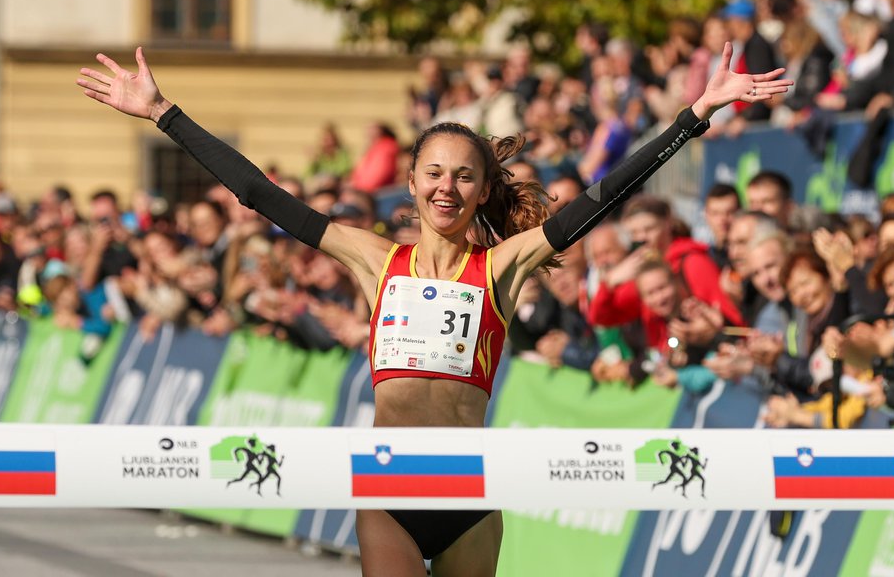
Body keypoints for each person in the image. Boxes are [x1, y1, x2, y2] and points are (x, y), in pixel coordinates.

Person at [77, 43, 790, 577]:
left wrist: (695, 116)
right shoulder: (372, 258)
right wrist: (164, 114)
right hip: (389, 482)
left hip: (469, 489)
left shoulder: (502, 267)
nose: (447, 187)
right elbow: (262, 195)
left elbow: (601, 199)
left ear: (482, 191)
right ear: (412, 185)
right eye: (434, 174)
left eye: (464, 177)